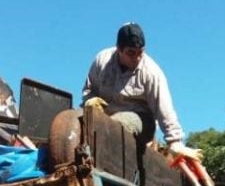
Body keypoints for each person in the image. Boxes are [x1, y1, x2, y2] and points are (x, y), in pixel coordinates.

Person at [82, 22, 202, 161]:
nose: (137, 58)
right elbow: (89, 90)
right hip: (104, 117)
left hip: (141, 119)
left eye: (140, 53)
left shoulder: (151, 72)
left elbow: (164, 108)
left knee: (116, 125)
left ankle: (101, 162)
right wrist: (89, 100)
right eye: (131, 53)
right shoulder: (102, 60)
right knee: (74, 119)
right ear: (119, 50)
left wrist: (175, 142)